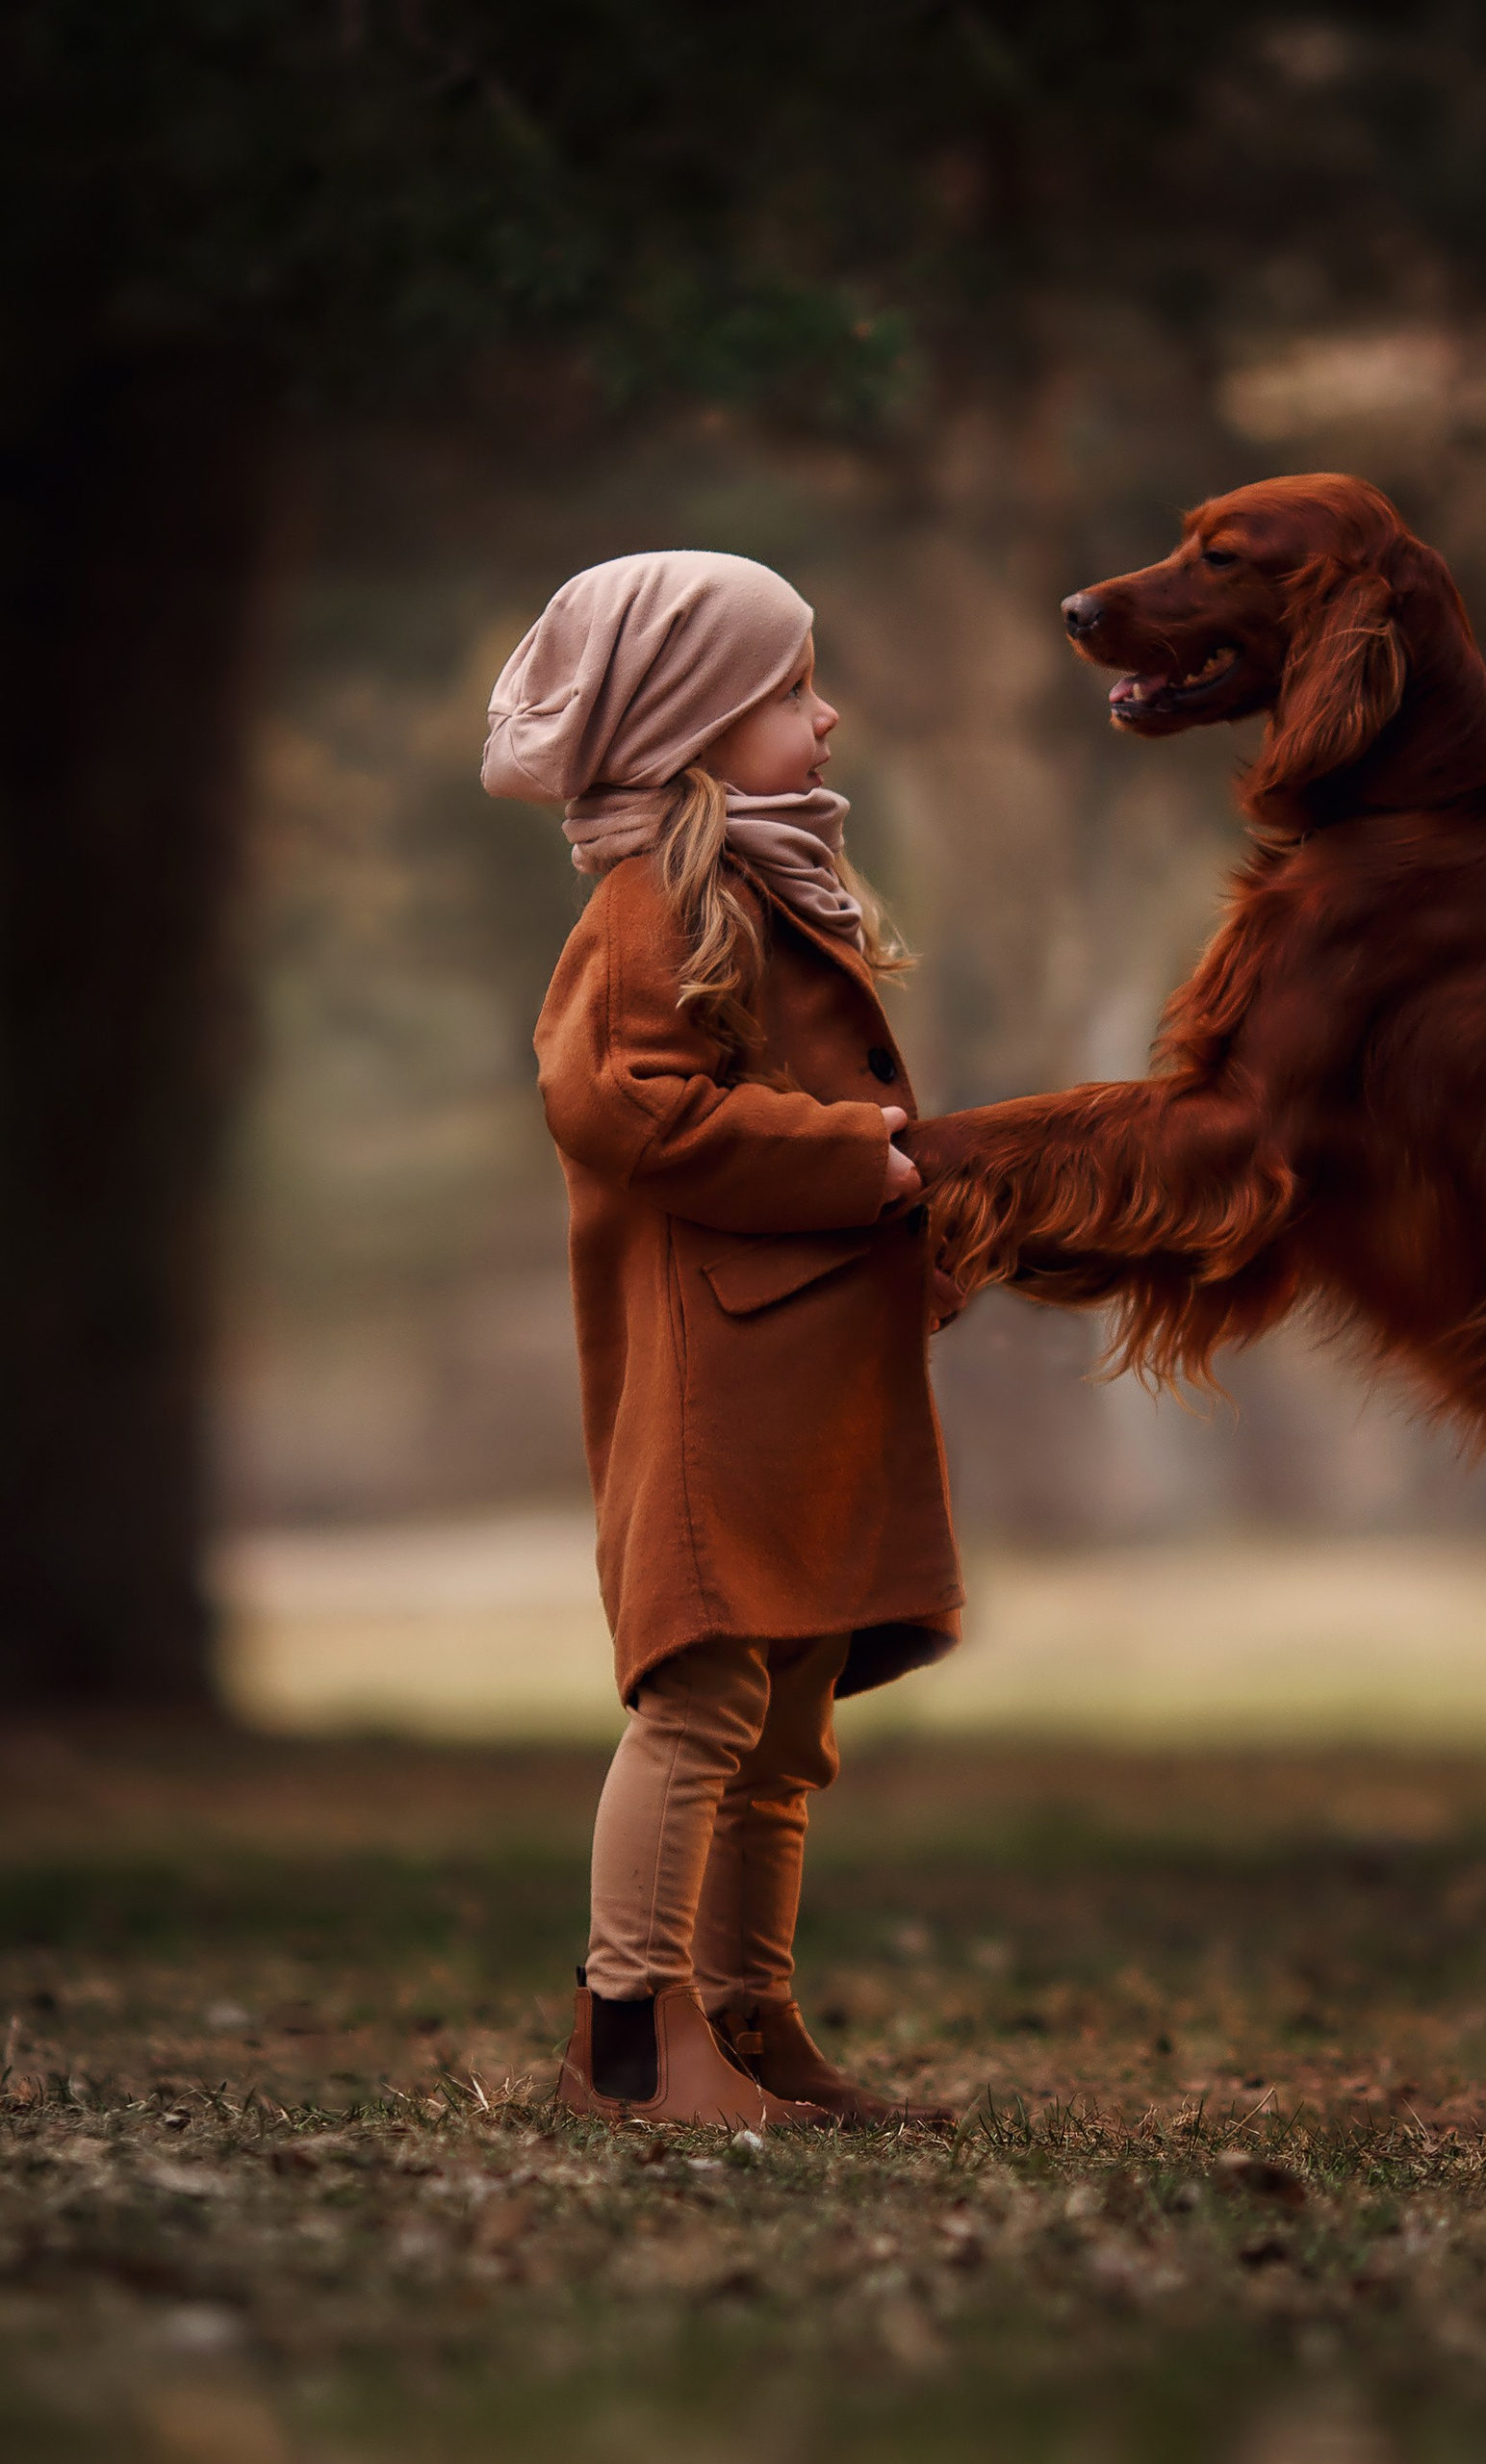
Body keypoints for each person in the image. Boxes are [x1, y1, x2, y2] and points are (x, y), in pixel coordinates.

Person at [484, 551, 962, 2130]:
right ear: (693, 717)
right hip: (720, 1382)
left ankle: (750, 2016)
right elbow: (627, 1107)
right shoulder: (653, 904)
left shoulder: (767, 883)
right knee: (699, 1702)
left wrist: (911, 1218)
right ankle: (629, 2033)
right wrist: (861, 1161)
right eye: (789, 691)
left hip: (808, 1368)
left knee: (789, 1719)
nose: (828, 720)